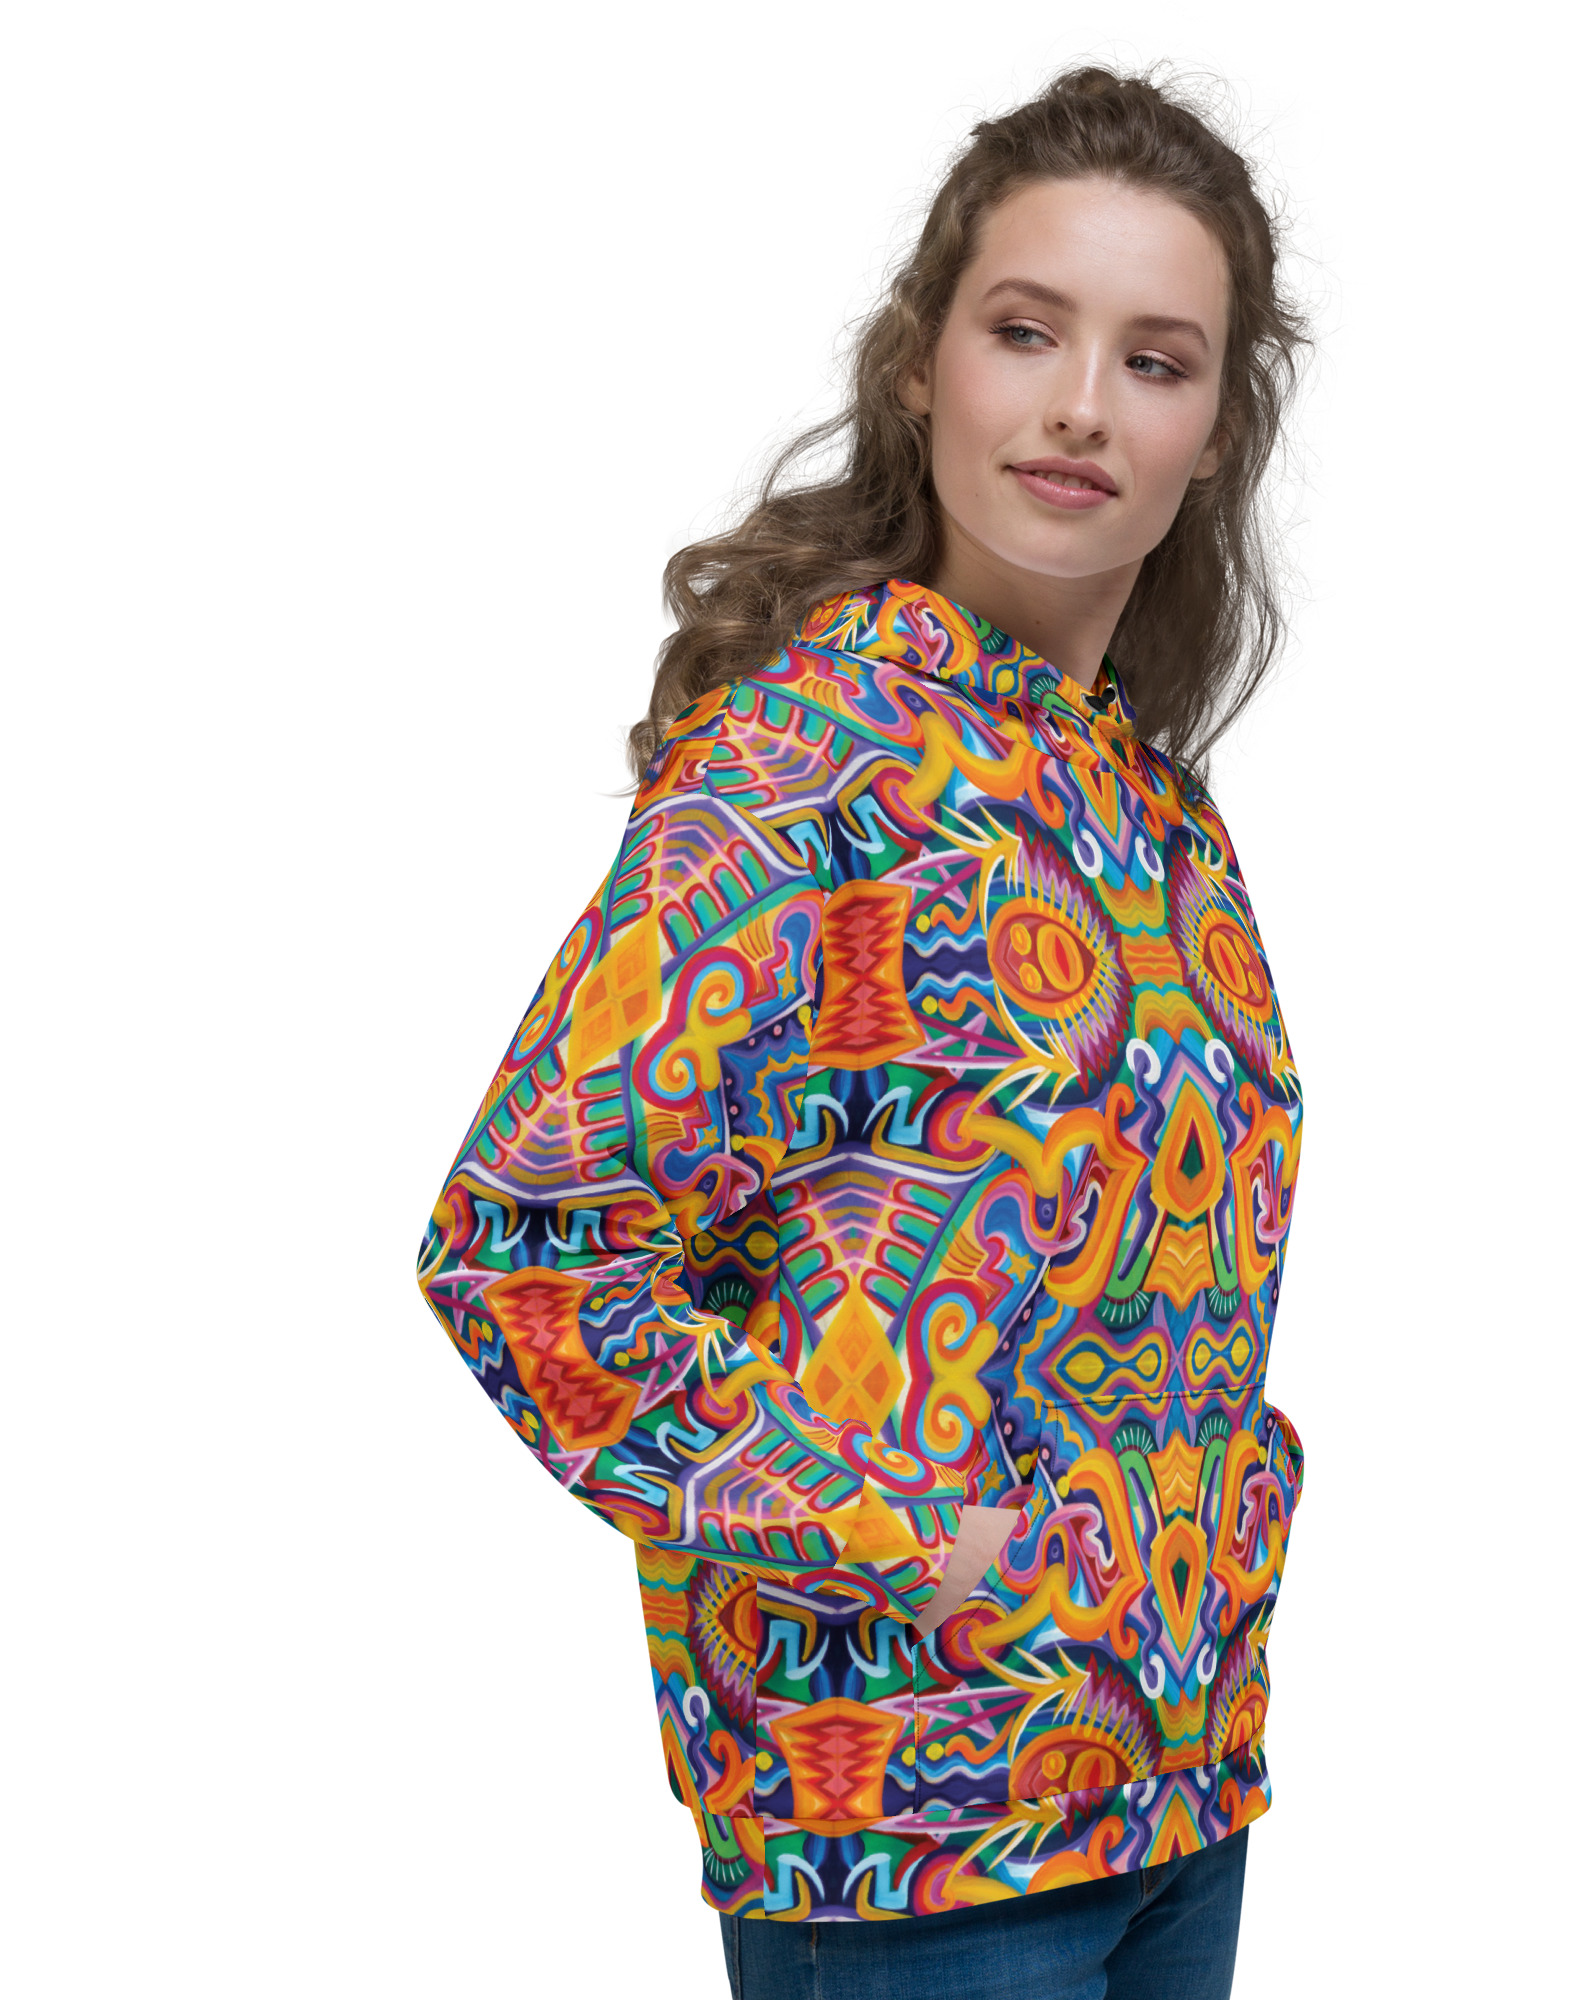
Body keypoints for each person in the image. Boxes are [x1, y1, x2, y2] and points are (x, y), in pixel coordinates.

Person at [415, 63, 1311, 2000]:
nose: (1083, 405)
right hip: (908, 1822)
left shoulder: (1159, 815)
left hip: (1177, 1791)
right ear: (922, 366)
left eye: (1156, 361)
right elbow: (526, 1248)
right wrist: (885, 1535)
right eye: (1026, 331)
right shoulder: (807, 764)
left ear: (1214, 433)